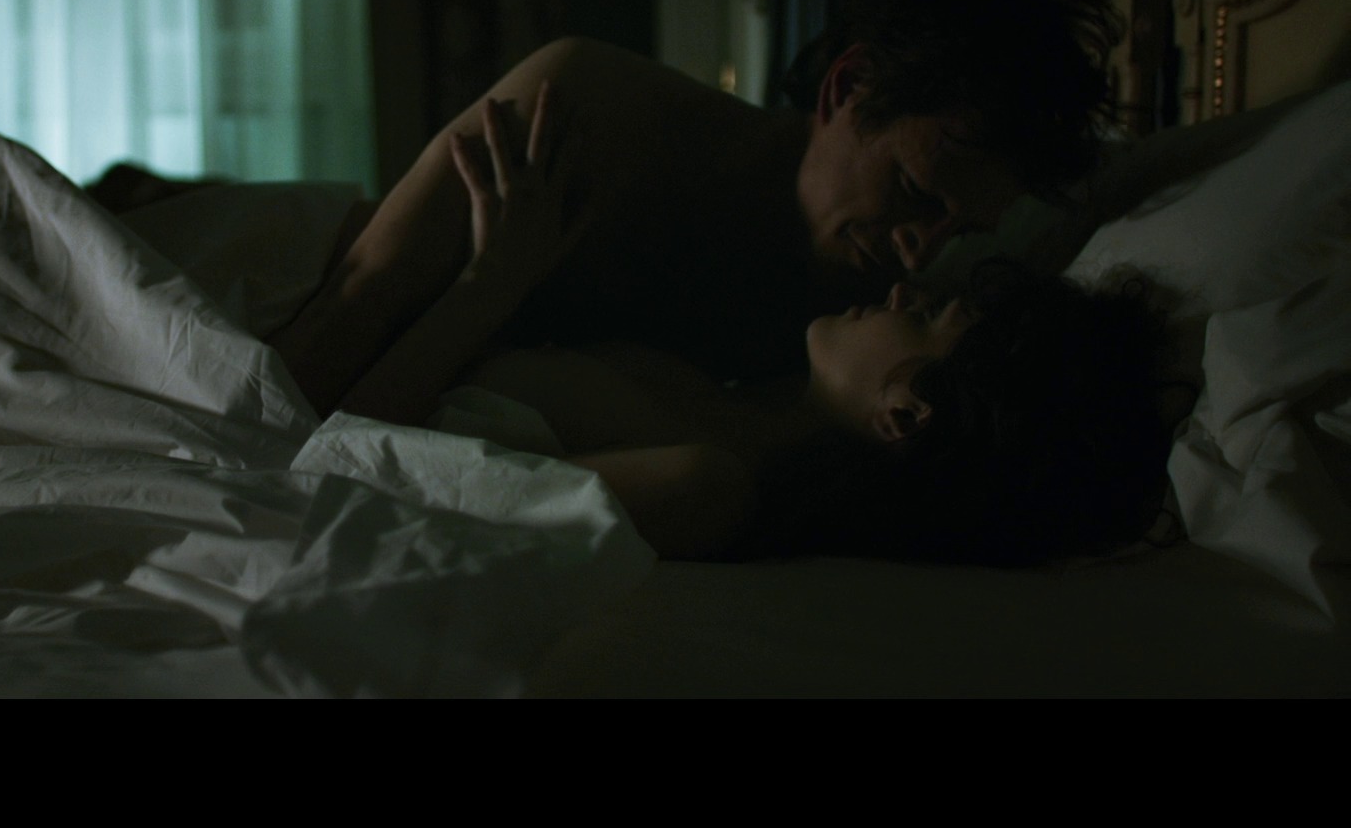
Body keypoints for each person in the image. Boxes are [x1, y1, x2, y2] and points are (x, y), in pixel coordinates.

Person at [266, 0, 1122, 416]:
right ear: (847, 89)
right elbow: (348, 308)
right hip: (280, 285)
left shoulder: (858, 324)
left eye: (959, 231)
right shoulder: (591, 110)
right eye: (915, 193)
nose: (919, 251)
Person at [341, 91, 1175, 567]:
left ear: (906, 415)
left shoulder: (704, 484)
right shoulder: (734, 397)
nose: (902, 287)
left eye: (922, 316)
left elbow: (351, 471)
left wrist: (490, 281)